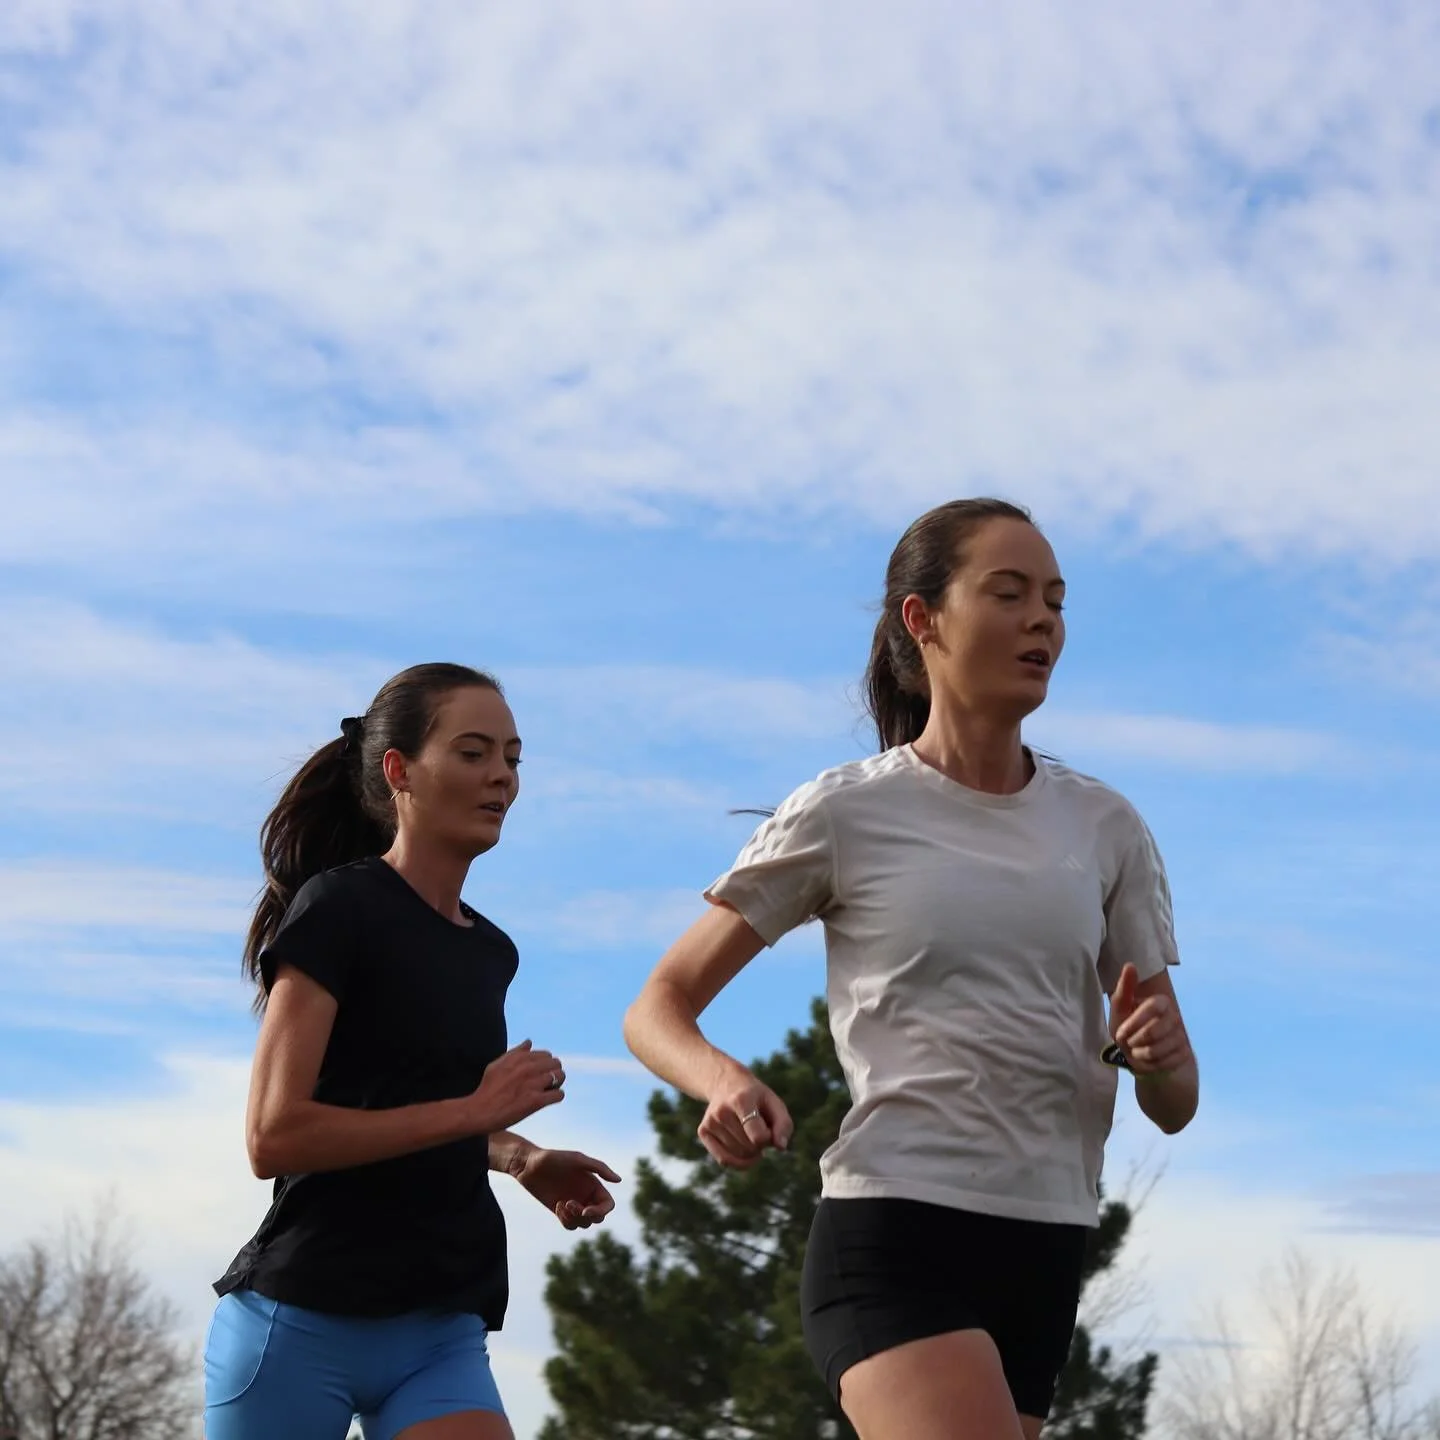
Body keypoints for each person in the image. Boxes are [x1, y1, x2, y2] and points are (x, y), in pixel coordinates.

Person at [622, 500, 1199, 1440]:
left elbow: (1175, 1102)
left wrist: (1160, 1058)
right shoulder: (845, 812)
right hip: (897, 1230)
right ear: (921, 620)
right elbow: (658, 1005)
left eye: (1055, 601)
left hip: (1051, 1240)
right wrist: (722, 1080)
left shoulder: (1107, 827)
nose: (1042, 620)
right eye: (1008, 594)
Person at [204, 663, 620, 1440]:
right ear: (399, 771)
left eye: (512, 758)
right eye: (473, 752)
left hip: (439, 1331)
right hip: (301, 1321)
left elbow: (411, 1106)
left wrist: (518, 1155)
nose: (501, 776)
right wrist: (475, 1112)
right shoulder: (338, 908)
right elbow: (274, 1136)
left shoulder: (491, 952)